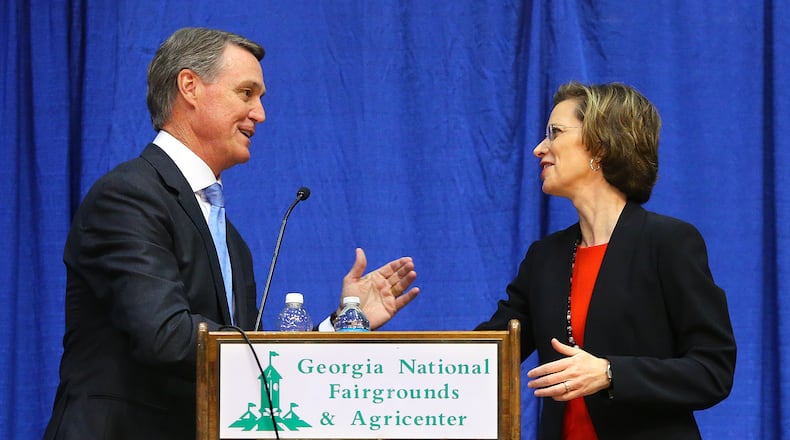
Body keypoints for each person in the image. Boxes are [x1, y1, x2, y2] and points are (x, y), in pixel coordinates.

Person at [42, 27, 419, 440]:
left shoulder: (232, 242)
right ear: (190, 87)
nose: (260, 114)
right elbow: (167, 337)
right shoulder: (128, 197)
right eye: (246, 93)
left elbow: (247, 366)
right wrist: (275, 354)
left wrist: (344, 323)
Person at [475, 81, 736, 439]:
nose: (539, 148)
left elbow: (712, 370)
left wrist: (610, 373)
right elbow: (483, 361)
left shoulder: (670, 243)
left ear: (600, 144)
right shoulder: (543, 258)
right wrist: (368, 323)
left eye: (554, 132)